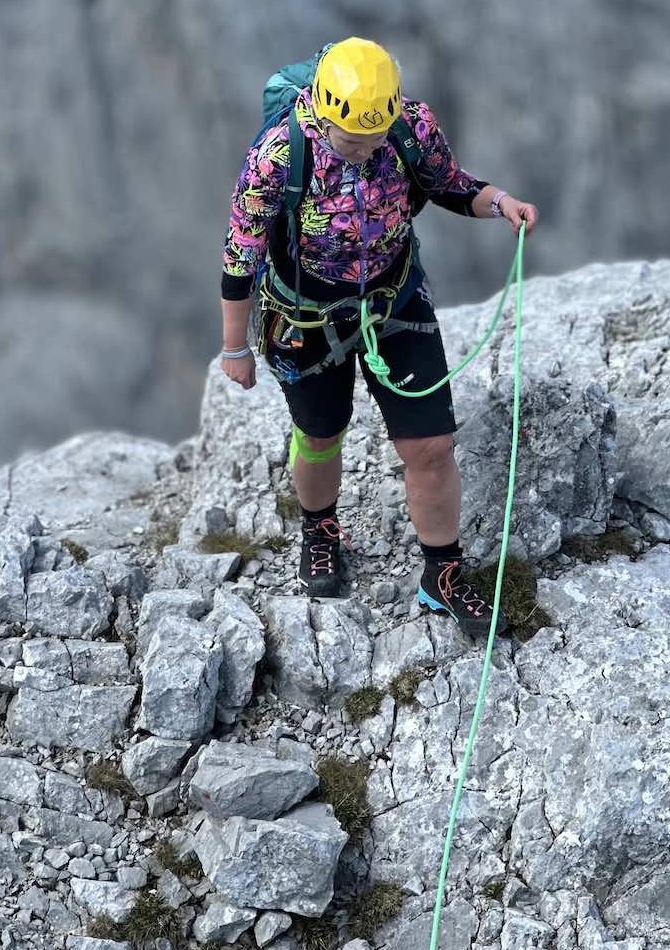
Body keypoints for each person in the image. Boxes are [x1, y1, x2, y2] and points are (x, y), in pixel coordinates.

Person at [219, 37, 538, 641]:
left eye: (373, 137)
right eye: (351, 141)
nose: (364, 150)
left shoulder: (407, 127)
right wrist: (235, 349)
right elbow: (241, 254)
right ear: (323, 110)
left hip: (395, 300)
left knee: (431, 446)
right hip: (304, 317)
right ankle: (320, 529)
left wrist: (500, 203)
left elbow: (447, 183)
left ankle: (442, 573)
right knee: (320, 435)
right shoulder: (278, 156)